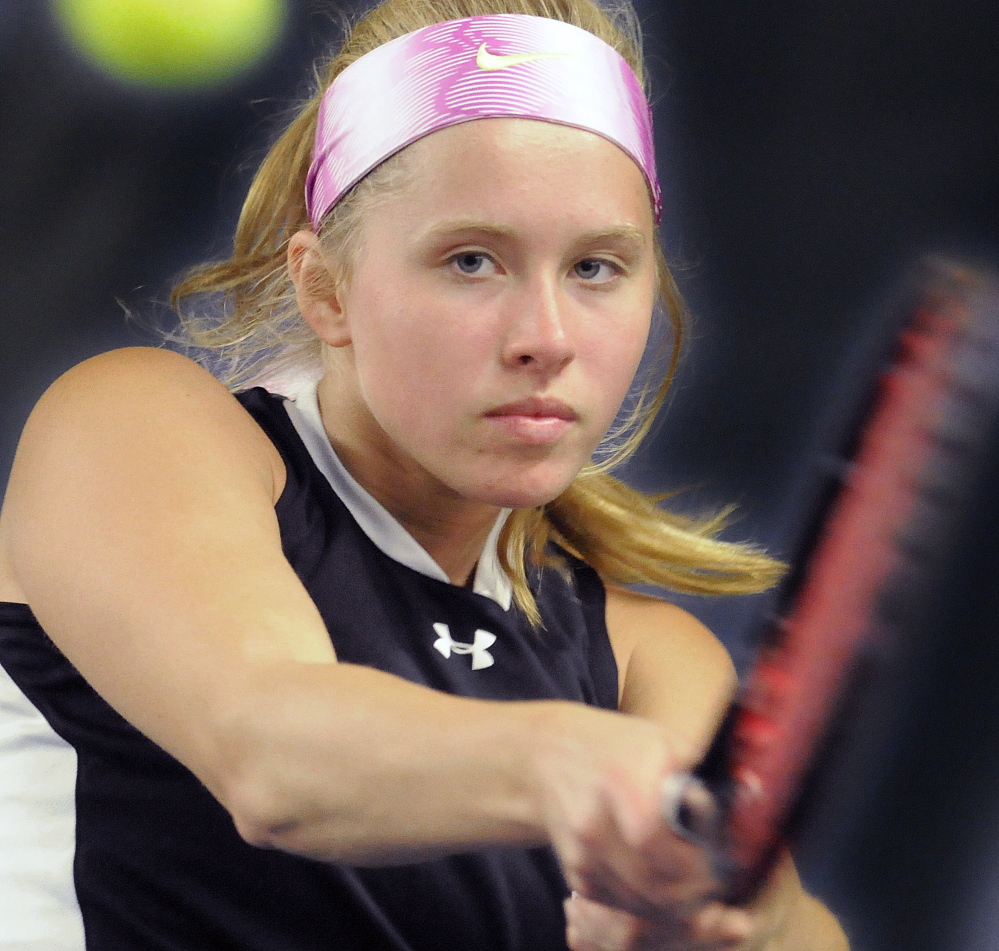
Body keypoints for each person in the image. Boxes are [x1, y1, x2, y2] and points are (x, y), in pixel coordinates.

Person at [0, 0, 849, 948]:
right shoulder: (133, 425)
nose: (547, 338)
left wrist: (741, 918)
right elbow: (268, 751)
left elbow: (778, 921)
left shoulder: (652, 662)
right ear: (325, 288)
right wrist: (563, 762)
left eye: (597, 268)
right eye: (472, 260)